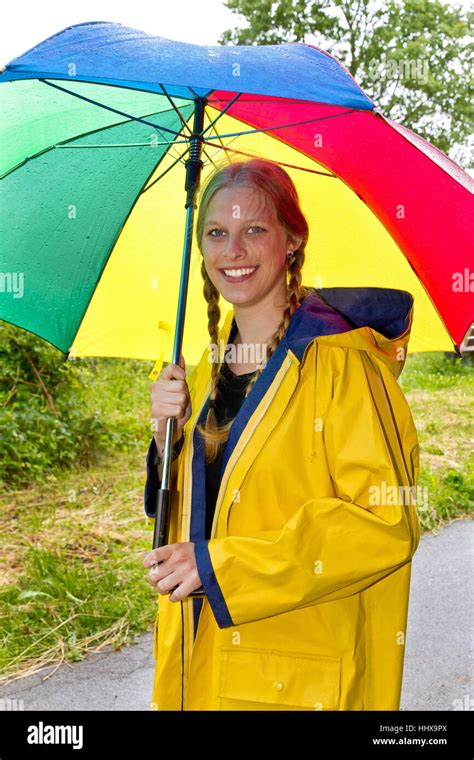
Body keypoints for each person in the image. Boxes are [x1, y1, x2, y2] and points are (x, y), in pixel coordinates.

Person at [142, 157, 421, 711]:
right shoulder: (205, 368)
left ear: (292, 239)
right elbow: (197, 514)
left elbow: (386, 521)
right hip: (195, 670)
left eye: (254, 230)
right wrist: (163, 440)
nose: (233, 251)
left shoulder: (342, 365)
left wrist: (224, 567)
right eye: (217, 233)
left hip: (295, 679)